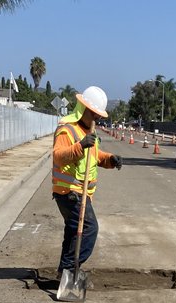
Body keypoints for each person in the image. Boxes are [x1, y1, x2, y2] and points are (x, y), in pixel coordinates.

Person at [51, 85, 122, 279]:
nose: (97, 118)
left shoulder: (87, 131)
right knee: (90, 229)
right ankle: (69, 270)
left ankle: (63, 273)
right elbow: (58, 156)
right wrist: (80, 146)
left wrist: (109, 160)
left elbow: (94, 156)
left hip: (81, 193)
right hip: (69, 192)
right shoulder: (67, 130)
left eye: (99, 115)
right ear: (83, 109)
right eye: (94, 114)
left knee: (73, 233)